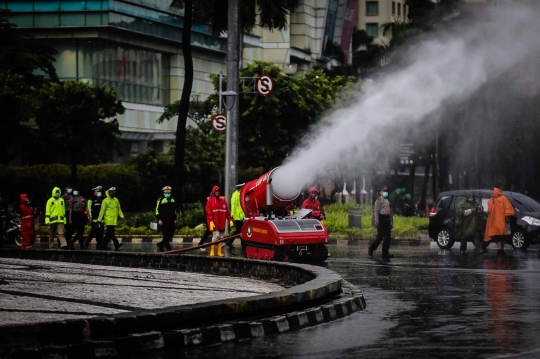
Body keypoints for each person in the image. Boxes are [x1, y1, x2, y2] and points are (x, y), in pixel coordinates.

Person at [484, 187, 515, 254]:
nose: (491, 194)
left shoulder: (503, 199)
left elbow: (508, 208)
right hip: (495, 221)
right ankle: (500, 249)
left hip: (502, 221)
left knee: (503, 236)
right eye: (491, 193)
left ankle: (501, 249)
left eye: (492, 193)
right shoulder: (491, 201)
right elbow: (490, 211)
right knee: (497, 236)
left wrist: (507, 215)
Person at [205, 185, 232, 257]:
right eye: (216, 191)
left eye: (219, 191)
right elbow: (208, 212)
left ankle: (219, 251)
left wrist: (230, 220)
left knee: (221, 237)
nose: (218, 192)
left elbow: (227, 212)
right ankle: (212, 250)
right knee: (215, 236)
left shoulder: (223, 202)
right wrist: (210, 221)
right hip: (214, 223)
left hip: (222, 223)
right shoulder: (210, 202)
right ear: (214, 192)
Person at [369, 186, 394, 261]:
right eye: (384, 191)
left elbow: (389, 212)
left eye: (386, 191)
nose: (386, 192)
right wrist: (376, 221)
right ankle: (371, 248)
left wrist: (391, 222)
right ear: (380, 192)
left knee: (388, 237)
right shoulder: (378, 201)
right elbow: (376, 212)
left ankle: (385, 253)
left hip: (387, 219)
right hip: (381, 219)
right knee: (380, 236)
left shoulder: (387, 200)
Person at [155, 186, 177, 252]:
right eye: (166, 193)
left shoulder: (172, 199)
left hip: (171, 220)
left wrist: (175, 219)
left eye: (169, 192)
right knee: (165, 235)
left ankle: (160, 244)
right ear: (163, 193)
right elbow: (157, 210)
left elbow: (174, 210)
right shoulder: (160, 200)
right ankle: (169, 250)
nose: (167, 194)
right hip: (163, 220)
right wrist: (159, 219)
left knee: (171, 234)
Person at [227, 183, 245, 252]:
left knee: (241, 231)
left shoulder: (240, 195)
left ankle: (242, 244)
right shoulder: (236, 195)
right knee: (237, 231)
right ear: (240, 188)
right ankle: (229, 241)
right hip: (237, 217)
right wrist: (232, 215)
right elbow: (233, 206)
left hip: (241, 216)